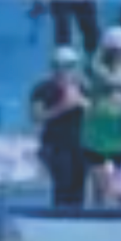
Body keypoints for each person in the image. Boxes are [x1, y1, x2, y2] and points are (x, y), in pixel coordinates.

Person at [78, 29, 121, 210]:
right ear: (115, 51)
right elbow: (109, 82)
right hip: (97, 133)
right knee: (100, 185)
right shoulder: (96, 67)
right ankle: (100, 220)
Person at [28, 46, 91, 211]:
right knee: (63, 187)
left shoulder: (84, 88)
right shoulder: (42, 89)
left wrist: (88, 106)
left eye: (70, 66)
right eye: (60, 66)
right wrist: (63, 107)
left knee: (78, 189)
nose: (64, 70)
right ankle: (60, 224)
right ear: (53, 67)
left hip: (80, 146)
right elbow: (36, 116)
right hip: (56, 146)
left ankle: (75, 225)